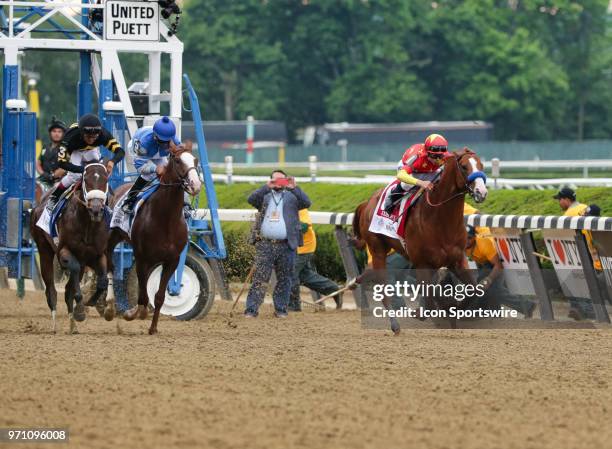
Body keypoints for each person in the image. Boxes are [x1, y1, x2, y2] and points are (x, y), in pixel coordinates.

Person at [245, 170, 311, 318]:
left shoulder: (292, 196)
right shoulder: (265, 196)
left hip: (286, 245)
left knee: (285, 278)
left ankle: (281, 309)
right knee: (260, 278)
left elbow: (307, 203)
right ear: (270, 181)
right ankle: (251, 309)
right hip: (265, 244)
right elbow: (251, 199)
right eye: (275, 180)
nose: (278, 183)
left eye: (282, 180)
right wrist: (266, 187)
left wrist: (295, 187)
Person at [46, 113, 124, 211]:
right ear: (81, 133)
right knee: (73, 176)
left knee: (98, 174)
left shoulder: (103, 135)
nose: (91, 139)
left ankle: (107, 203)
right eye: (88, 137)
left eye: (94, 137)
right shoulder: (70, 137)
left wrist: (112, 161)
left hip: (92, 150)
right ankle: (54, 197)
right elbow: (61, 163)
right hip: (75, 151)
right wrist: (83, 169)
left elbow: (121, 151)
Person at [465, 225, 536, 317]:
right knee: (484, 287)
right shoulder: (458, 243)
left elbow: (499, 265)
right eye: (463, 237)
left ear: (475, 237)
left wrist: (488, 279)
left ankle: (527, 306)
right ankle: (494, 313)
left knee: (493, 289)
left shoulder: (484, 244)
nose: (466, 241)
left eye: (469, 238)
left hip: (499, 260)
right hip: (486, 262)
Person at [121, 116, 180, 214]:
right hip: (141, 153)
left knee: (170, 174)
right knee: (148, 175)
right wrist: (155, 168)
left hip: (157, 153)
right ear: (155, 137)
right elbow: (140, 167)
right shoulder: (144, 144)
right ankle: (130, 199)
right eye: (163, 142)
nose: (166, 145)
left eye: (168, 142)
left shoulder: (174, 141)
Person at [553, 187, 596, 320]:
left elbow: (563, 236)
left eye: (560, 199)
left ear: (566, 199)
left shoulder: (569, 214)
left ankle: (584, 310)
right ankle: (580, 310)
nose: (559, 202)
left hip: (578, 251)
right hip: (592, 249)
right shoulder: (585, 207)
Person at [288, 208, 341, 312]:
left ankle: (293, 306)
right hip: (292, 249)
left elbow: (304, 227)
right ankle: (333, 289)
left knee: (290, 273)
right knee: (304, 276)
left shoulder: (299, 206)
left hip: (304, 248)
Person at [384, 133, 450, 214]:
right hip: (413, 169)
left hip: (430, 170)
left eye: (440, 156)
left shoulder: (446, 156)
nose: (437, 160)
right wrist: (421, 183)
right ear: (427, 153)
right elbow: (400, 175)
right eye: (434, 156)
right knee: (407, 184)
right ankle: (392, 197)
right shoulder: (418, 156)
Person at [36, 117, 66, 189]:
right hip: (43, 180)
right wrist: (43, 174)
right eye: (54, 131)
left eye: (59, 132)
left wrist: (52, 176)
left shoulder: (65, 148)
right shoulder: (45, 147)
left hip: (59, 181)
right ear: (50, 133)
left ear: (63, 133)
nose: (57, 134)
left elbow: (64, 168)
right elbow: (38, 163)